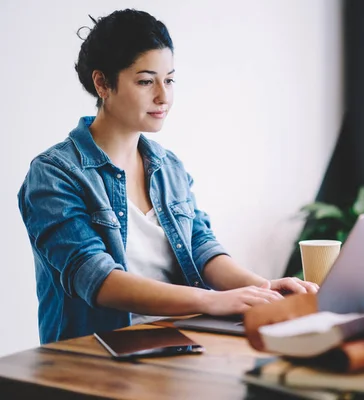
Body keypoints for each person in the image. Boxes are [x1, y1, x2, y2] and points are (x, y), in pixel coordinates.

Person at [18, 9, 317, 345]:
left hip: (180, 342)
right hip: (95, 355)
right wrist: (212, 301)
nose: (164, 96)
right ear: (102, 83)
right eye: (146, 81)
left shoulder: (167, 166)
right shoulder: (55, 174)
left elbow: (201, 247)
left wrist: (262, 287)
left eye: (170, 79)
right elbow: (97, 278)